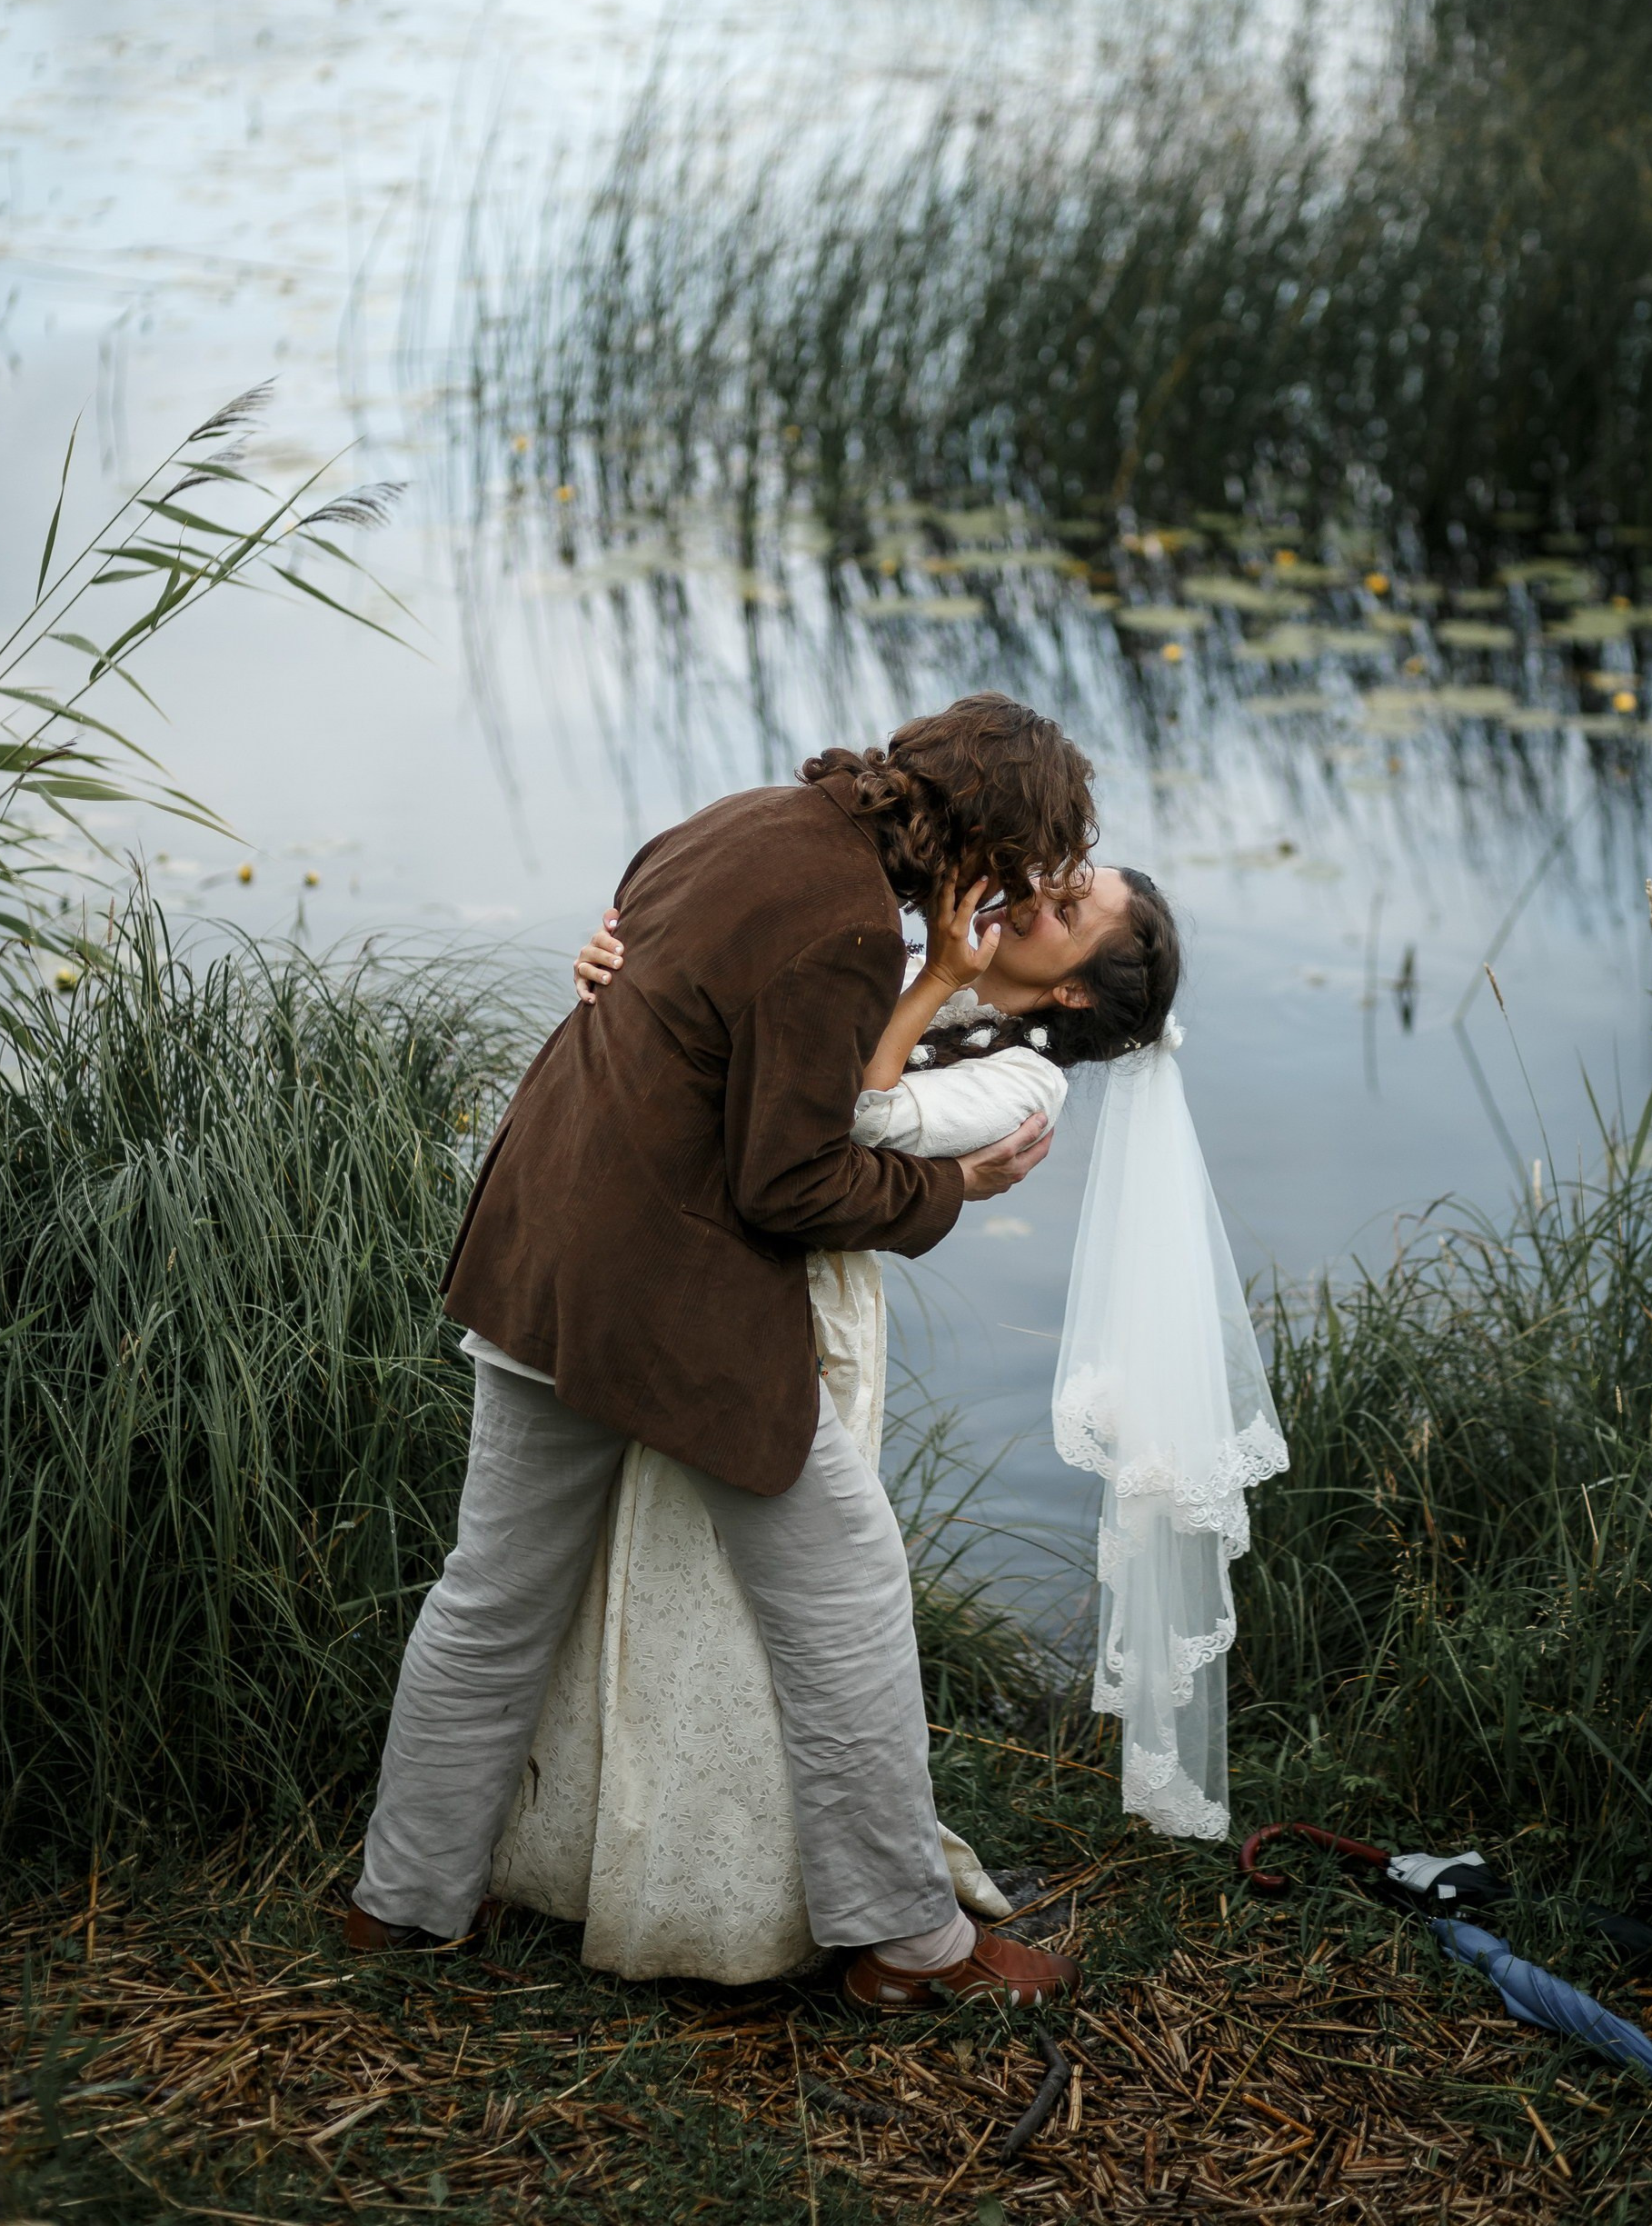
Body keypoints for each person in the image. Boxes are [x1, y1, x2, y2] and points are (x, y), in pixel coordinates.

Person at [348, 694, 1096, 2009]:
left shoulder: (741, 820)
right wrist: (955, 1188)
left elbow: (655, 998)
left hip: (540, 1252)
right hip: (668, 1302)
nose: (1017, 903)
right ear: (980, 852)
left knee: (493, 1593)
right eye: (1024, 875)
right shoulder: (847, 926)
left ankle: (400, 1906)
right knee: (849, 1593)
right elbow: (789, 1183)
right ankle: (908, 1949)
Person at [493, 860, 1181, 1987]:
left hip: (791, 1322)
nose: (1034, 898)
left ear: (1069, 994)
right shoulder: (919, 962)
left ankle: (790, 1900)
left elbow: (846, 1111)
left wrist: (926, 985)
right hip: (669, 1275)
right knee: (652, 1575)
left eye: (1066, 912)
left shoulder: (1020, 1082)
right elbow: (733, 1025)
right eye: (1056, 879)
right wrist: (618, 969)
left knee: (786, 1613)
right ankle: (594, 1850)